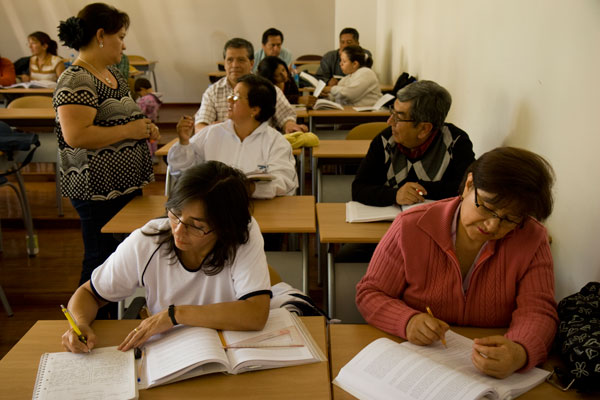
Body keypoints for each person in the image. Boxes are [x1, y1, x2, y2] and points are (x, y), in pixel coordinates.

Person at [356, 147, 558, 379]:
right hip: (419, 361)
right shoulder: (410, 226)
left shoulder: (532, 238)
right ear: (469, 185)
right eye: (487, 207)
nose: (493, 226)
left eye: (510, 219)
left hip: (487, 371)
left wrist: (520, 351)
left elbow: (538, 311)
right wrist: (407, 320)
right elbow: (371, 293)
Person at [61, 161, 271, 353]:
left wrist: (175, 315)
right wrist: (80, 323)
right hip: (170, 351)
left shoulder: (242, 233)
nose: (178, 230)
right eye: (175, 214)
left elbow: (256, 314)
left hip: (232, 348)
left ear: (225, 228)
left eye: (196, 226)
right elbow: (89, 293)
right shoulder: (148, 240)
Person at [56, 3, 158, 297]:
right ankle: (82, 319)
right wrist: (130, 131)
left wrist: (144, 127)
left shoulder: (110, 74)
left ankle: (113, 316)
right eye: (120, 37)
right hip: (97, 190)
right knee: (99, 261)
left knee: (120, 261)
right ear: (101, 35)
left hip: (122, 186)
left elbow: (122, 119)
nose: (124, 45)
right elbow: (76, 135)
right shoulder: (77, 78)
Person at [169, 74, 298, 199]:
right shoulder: (212, 133)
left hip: (258, 207)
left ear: (255, 110)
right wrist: (184, 143)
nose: (229, 100)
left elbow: (285, 182)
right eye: (231, 94)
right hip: (213, 207)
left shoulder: (276, 142)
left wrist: (251, 188)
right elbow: (182, 173)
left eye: (236, 97)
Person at [352, 80, 475, 207]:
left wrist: (419, 190)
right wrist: (395, 195)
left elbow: (468, 188)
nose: (389, 122)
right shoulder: (385, 140)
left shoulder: (456, 142)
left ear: (424, 129)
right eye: (392, 112)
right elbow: (358, 189)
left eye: (398, 117)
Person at [193, 38, 307, 134]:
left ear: (251, 63)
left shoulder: (266, 88)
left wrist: (289, 125)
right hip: (223, 148)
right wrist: (210, 129)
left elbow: (286, 116)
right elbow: (200, 126)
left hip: (261, 148)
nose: (235, 65)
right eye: (230, 60)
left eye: (241, 60)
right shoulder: (213, 92)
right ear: (225, 64)